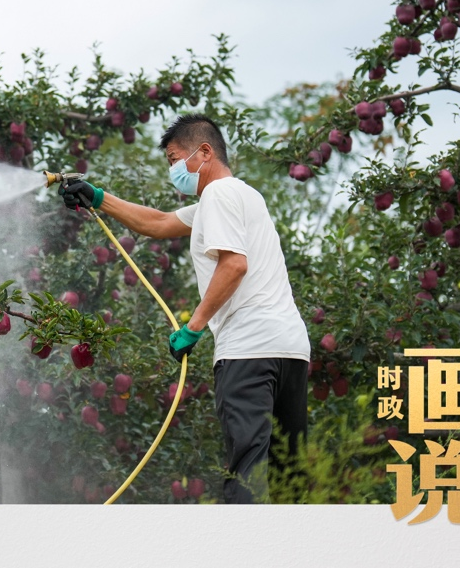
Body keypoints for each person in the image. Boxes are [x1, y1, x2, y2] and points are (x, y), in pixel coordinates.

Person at [59, 113, 311, 504]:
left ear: (204, 152)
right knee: (288, 477)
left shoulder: (218, 194)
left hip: (248, 351)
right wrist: (97, 197)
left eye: (175, 159)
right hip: (291, 350)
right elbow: (158, 223)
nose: (174, 170)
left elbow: (234, 264)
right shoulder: (242, 195)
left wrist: (193, 327)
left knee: (247, 474)